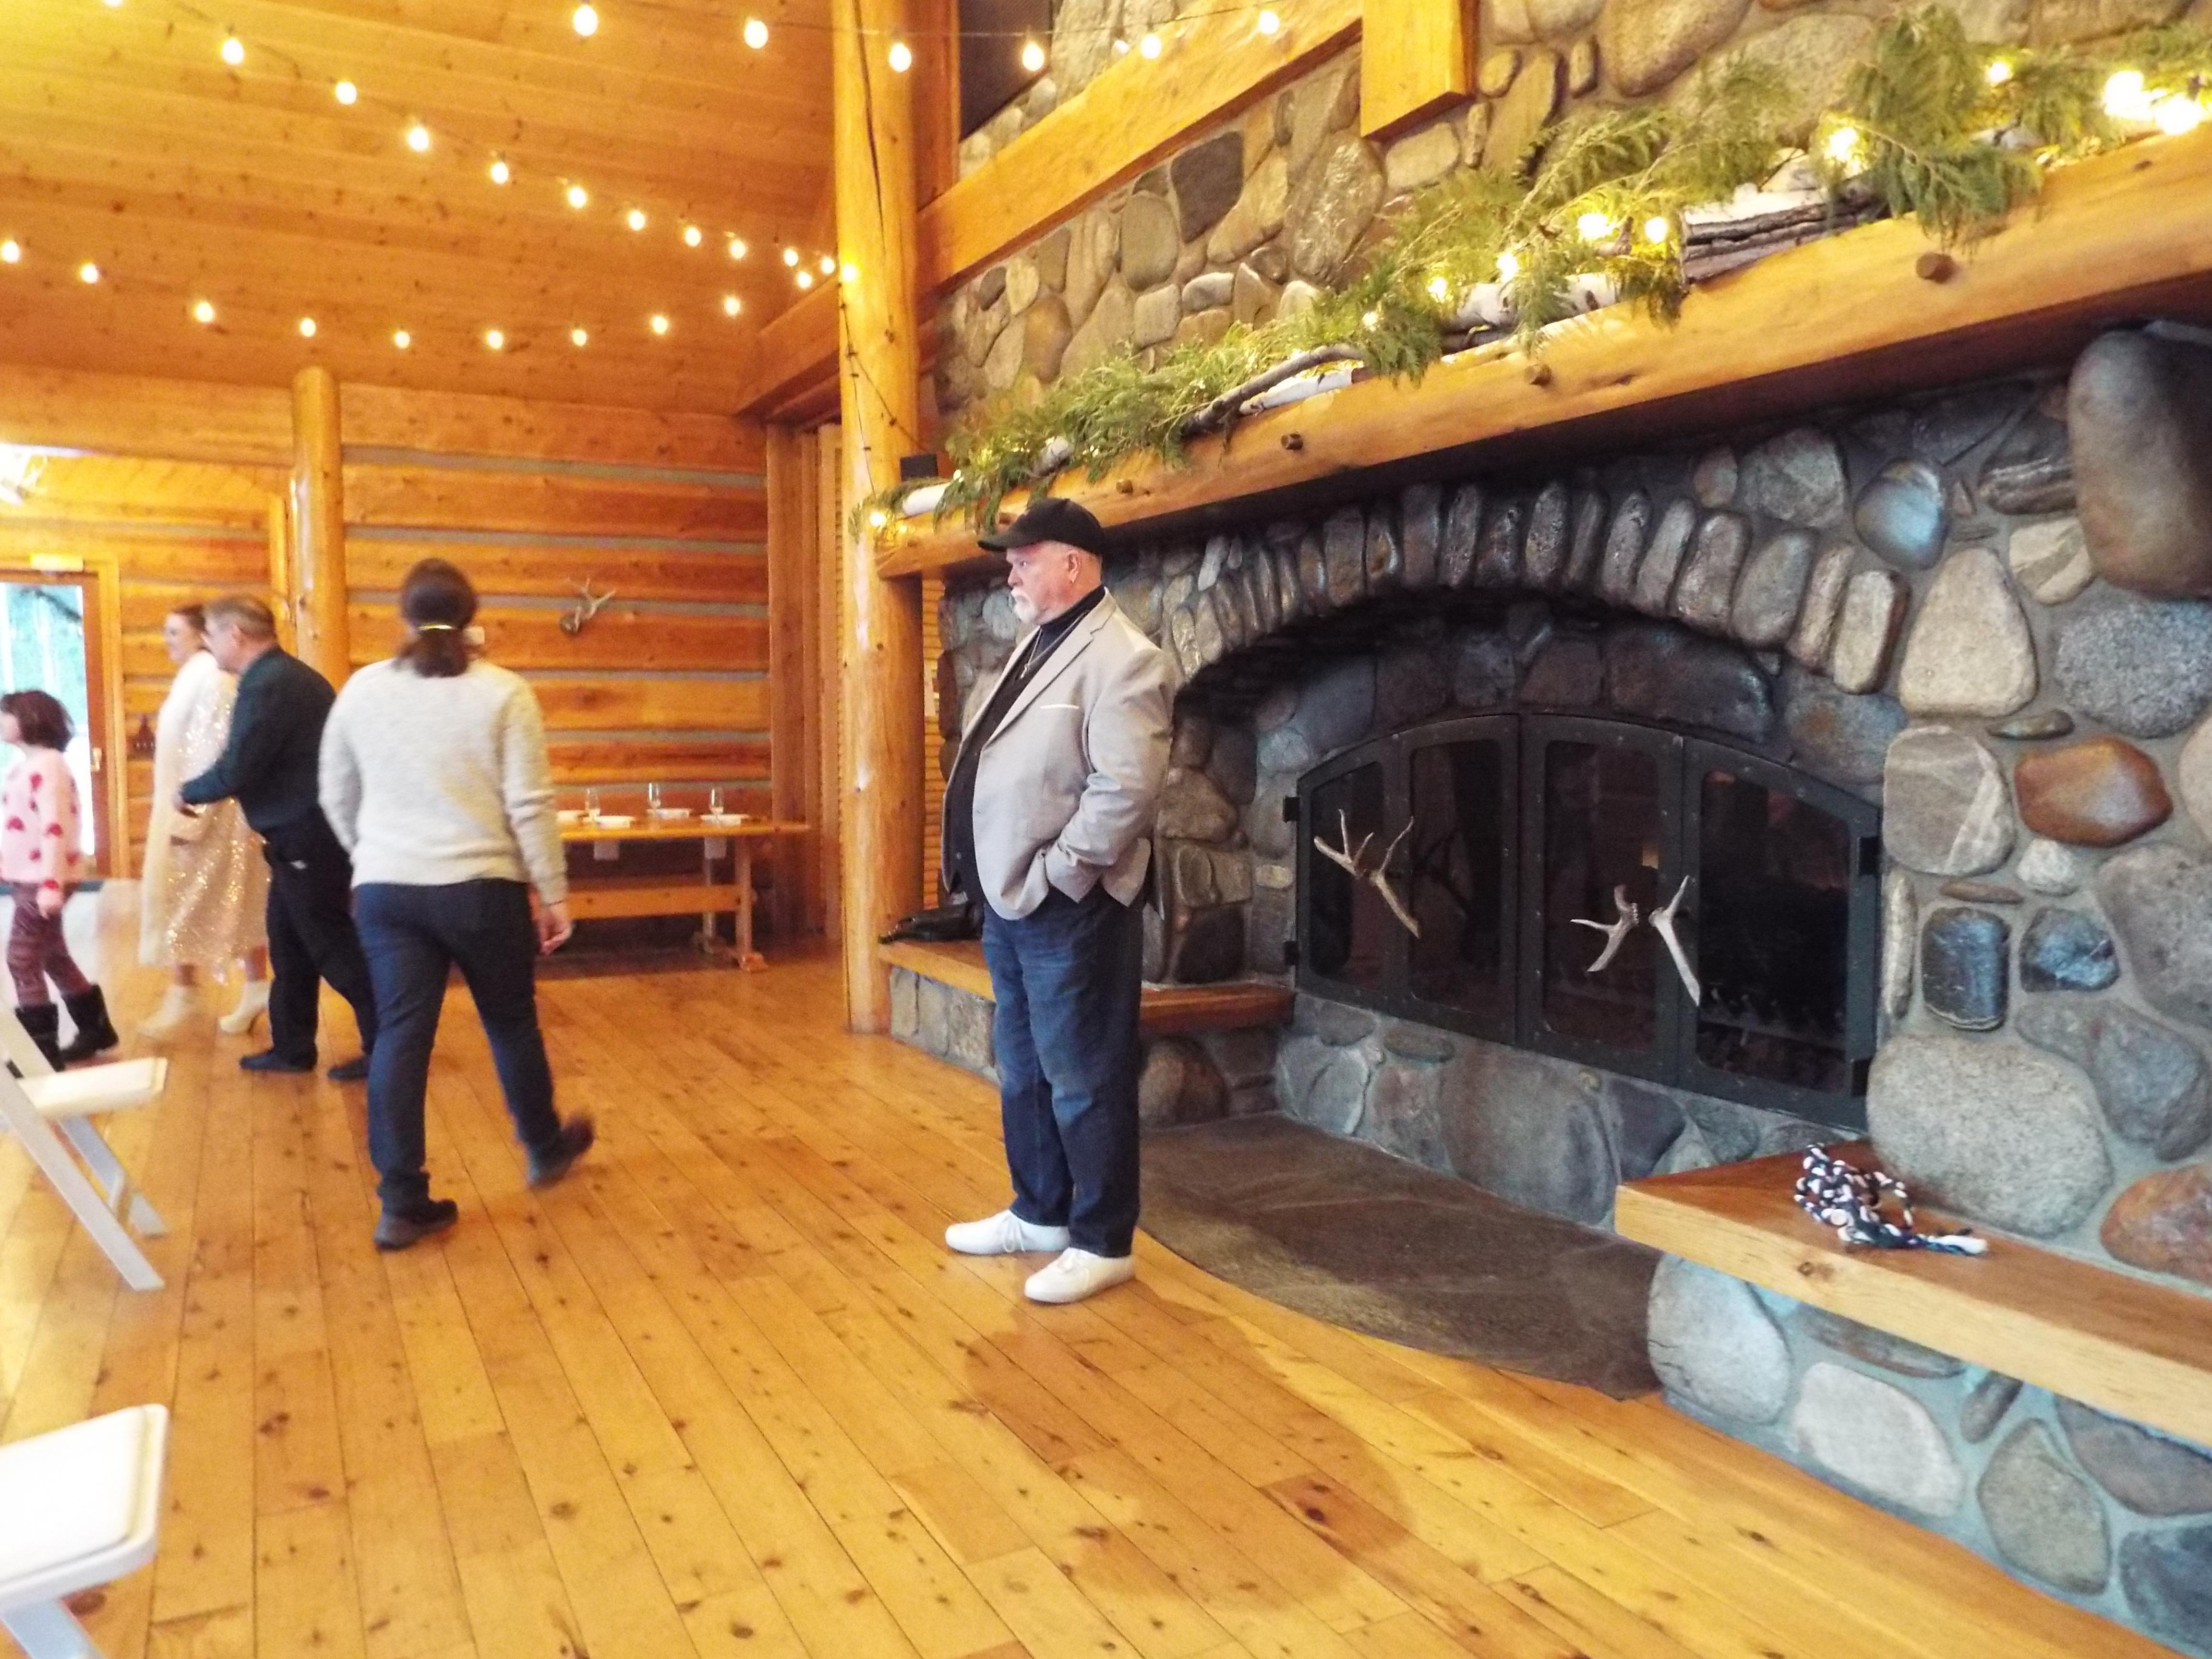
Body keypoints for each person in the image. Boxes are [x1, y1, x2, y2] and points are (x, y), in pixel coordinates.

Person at [319, 559, 592, 1251]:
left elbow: (335, 793)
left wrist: (370, 852)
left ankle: (402, 1202)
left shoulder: (362, 691)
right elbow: (529, 804)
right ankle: (544, 1146)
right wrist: (553, 892)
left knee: (400, 1037)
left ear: (403, 616)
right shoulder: (504, 693)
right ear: (473, 617)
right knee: (510, 1022)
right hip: (483, 889)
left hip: (387, 891)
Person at [938, 497, 1170, 1305]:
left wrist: (1056, 877)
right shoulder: (1039, 640)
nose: (1010, 573)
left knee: (1084, 1076)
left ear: (1072, 563)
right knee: (1025, 1068)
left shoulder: (1125, 659)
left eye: (1023, 558)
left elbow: (1125, 791)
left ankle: (1102, 1241)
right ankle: (1040, 1214)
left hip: (1068, 905)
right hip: (1012, 903)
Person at [179, 595, 376, 1080]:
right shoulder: (281, 677)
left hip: (307, 835)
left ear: (236, 634)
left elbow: (240, 767)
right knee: (290, 946)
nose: (207, 646)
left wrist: (186, 792)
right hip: (300, 835)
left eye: (211, 636)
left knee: (332, 946)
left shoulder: (270, 684)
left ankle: (390, 1048)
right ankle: (293, 1048)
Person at [138, 603, 272, 1038]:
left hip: (206, 813)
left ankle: (188, 993)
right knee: (217, 898)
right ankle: (247, 987)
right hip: (193, 806)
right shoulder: (196, 676)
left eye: (174, 632)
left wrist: (190, 816)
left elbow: (210, 752)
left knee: (191, 897)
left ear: (202, 635)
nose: (167, 641)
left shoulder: (212, 679)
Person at [0, 689, 117, 1066]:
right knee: (53, 954)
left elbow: (55, 828)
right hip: (32, 878)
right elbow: (20, 826)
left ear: (31, 719)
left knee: (21, 959)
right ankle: (96, 1030)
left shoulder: (49, 766)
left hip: (44, 880)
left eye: (6, 714)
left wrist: (51, 885)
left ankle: (40, 1054)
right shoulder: (27, 766)